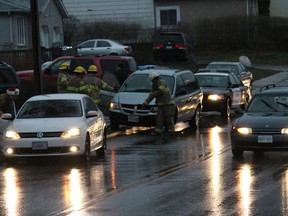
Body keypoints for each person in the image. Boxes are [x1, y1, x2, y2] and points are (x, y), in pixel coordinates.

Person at [142, 72, 176, 136]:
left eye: (152, 80)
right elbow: (151, 96)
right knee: (159, 119)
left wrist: (154, 93)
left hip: (168, 105)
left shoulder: (161, 82)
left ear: (154, 79)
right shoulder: (154, 85)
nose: (152, 81)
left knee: (169, 119)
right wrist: (145, 103)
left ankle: (171, 132)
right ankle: (158, 131)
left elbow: (161, 91)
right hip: (161, 105)